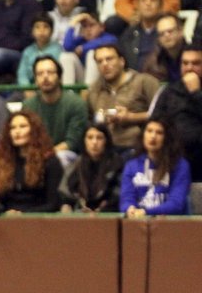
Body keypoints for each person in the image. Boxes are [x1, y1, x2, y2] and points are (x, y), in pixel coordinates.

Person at [84, 44, 160, 153]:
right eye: (99, 61)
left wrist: (131, 117)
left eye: (109, 59)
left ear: (122, 61)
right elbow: (90, 123)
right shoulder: (94, 90)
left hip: (136, 147)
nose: (104, 64)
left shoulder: (144, 82)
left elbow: (162, 114)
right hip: (105, 150)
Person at [0, 111, 63, 215]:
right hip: (7, 219)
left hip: (38, 218)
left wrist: (23, 214)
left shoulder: (50, 161)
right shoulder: (2, 161)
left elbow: (53, 204)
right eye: (12, 128)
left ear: (34, 131)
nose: (17, 131)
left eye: (23, 126)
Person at [21, 56, 88, 166]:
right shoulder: (28, 106)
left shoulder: (76, 104)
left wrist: (45, 155)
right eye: (40, 74)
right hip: (37, 155)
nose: (45, 77)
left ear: (59, 77)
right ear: (36, 80)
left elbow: (72, 143)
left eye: (50, 72)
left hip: (69, 156)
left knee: (59, 159)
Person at [149, 45, 202, 181]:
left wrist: (196, 93)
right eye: (185, 63)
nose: (189, 68)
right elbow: (154, 121)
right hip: (173, 156)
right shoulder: (169, 91)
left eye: (196, 63)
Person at [120, 119, 191, 217]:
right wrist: (130, 208)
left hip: (171, 223)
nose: (153, 136)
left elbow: (176, 204)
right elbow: (126, 199)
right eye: (149, 131)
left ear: (167, 138)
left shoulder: (180, 165)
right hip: (138, 221)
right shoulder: (131, 166)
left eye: (159, 133)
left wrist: (146, 212)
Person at [59, 124, 124, 213]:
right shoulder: (76, 165)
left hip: (109, 212)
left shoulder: (117, 164)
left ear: (106, 141)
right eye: (90, 138)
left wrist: (103, 209)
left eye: (99, 138)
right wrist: (68, 206)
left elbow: (118, 194)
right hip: (79, 214)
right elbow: (65, 194)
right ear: (84, 141)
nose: (94, 142)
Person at [116, 0, 164, 71]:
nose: (148, 4)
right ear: (137, 6)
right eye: (143, 0)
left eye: (153, 0)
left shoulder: (166, 32)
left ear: (160, 6)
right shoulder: (129, 34)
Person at [16, 14, 64, 87]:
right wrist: (27, 89)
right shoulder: (27, 51)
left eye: (45, 27)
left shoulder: (58, 50)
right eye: (37, 27)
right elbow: (22, 74)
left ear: (52, 31)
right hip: (30, 87)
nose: (41, 31)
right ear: (32, 31)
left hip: (51, 87)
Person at [140, 12, 187, 82]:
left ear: (181, 31)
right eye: (162, 33)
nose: (166, 35)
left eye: (170, 31)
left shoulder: (196, 56)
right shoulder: (152, 64)